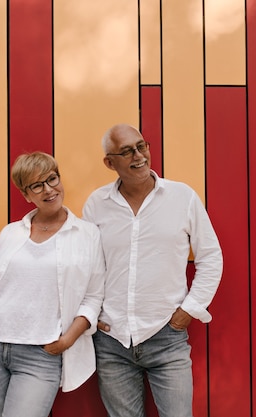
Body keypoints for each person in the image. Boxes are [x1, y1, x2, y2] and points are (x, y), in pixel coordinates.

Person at [0, 151, 105, 417]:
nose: (48, 189)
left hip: (41, 354)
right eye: (37, 185)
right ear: (26, 195)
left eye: (52, 179)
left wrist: (68, 341)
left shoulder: (87, 235)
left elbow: (93, 297)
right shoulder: (11, 232)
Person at [82, 123, 223, 417]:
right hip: (112, 341)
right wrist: (92, 316)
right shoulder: (97, 204)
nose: (138, 156)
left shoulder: (182, 197)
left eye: (141, 146)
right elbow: (87, 267)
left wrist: (190, 310)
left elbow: (210, 256)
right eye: (127, 151)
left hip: (166, 337)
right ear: (110, 163)